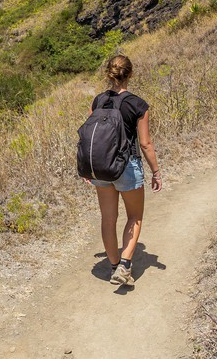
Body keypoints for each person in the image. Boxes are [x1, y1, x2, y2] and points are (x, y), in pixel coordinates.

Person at [86, 54, 163, 286]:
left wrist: (88, 168)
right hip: (127, 166)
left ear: (109, 75)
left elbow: (89, 136)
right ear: (130, 74)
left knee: (108, 219)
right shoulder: (137, 104)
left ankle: (113, 265)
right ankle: (125, 265)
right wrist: (156, 171)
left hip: (101, 168)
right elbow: (145, 144)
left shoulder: (98, 101)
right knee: (135, 217)